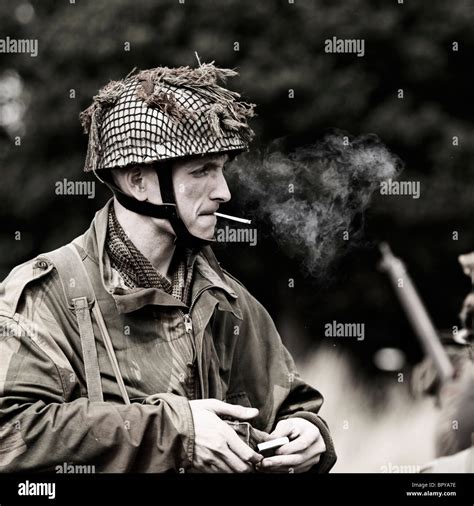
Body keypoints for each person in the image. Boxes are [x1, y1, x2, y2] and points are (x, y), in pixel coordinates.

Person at [0, 62, 336, 473]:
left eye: (221, 169)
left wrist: (308, 432)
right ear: (138, 180)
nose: (224, 191)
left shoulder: (223, 299)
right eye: (201, 172)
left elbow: (290, 404)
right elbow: (10, 434)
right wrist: (176, 431)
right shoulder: (47, 294)